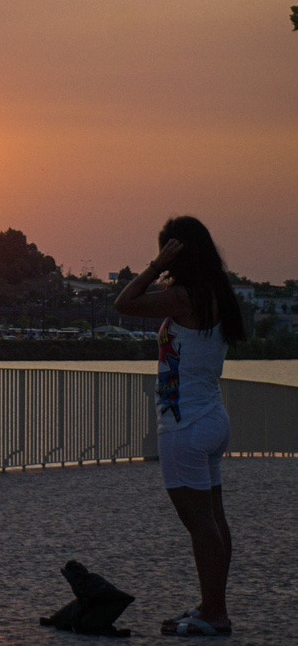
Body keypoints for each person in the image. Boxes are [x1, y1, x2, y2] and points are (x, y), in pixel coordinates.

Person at [114, 217, 246, 639]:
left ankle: (215, 614)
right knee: (213, 521)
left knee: (200, 524)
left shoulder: (183, 298)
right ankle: (213, 605)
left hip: (184, 425)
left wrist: (155, 267)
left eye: (168, 250)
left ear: (178, 253)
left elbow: (124, 303)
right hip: (210, 419)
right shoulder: (216, 294)